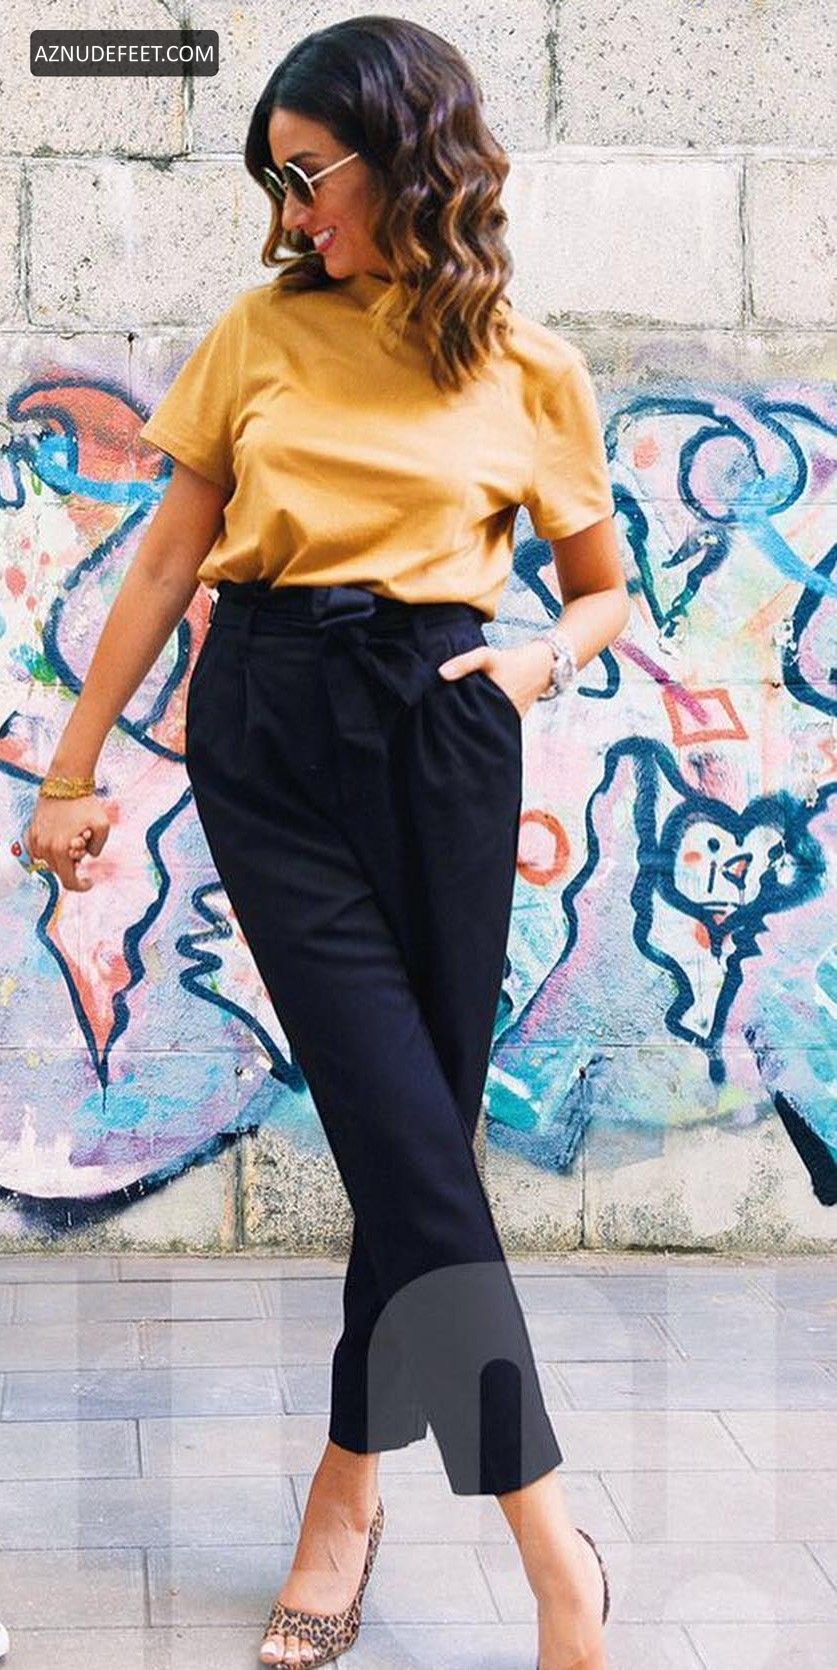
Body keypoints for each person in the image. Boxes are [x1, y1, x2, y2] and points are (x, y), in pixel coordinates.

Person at [25, 17, 627, 1670]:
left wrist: (538, 662)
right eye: (276, 183)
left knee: (408, 1145)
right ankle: (556, 1558)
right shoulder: (259, 331)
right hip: (273, 730)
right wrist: (70, 770)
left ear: (407, 158)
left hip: (445, 729)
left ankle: (341, 1498)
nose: (291, 214)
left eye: (310, 177)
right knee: (406, 1135)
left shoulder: (528, 362)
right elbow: (165, 564)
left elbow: (599, 589)